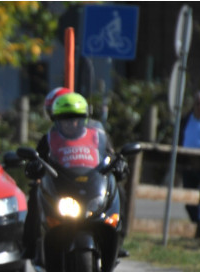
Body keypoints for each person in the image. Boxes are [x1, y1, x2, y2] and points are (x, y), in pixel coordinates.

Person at [22, 92, 127, 260]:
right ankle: (31, 245)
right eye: (66, 119)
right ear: (56, 120)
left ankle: (118, 241)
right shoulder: (49, 139)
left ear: (85, 118)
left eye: (77, 118)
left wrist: (119, 164)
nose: (72, 123)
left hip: (92, 182)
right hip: (62, 184)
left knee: (119, 192)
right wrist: (34, 166)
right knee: (35, 193)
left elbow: (110, 156)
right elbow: (38, 159)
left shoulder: (98, 137)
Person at [178, 90, 200, 236]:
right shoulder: (186, 119)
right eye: (197, 104)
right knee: (189, 197)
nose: (199, 107)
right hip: (188, 164)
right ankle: (197, 225)